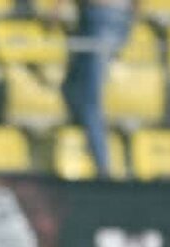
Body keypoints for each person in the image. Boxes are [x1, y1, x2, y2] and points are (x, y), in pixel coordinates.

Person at [60, 0, 133, 178]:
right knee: (71, 88)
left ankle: (103, 167)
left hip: (101, 16)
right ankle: (86, 144)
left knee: (89, 100)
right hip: (107, 16)